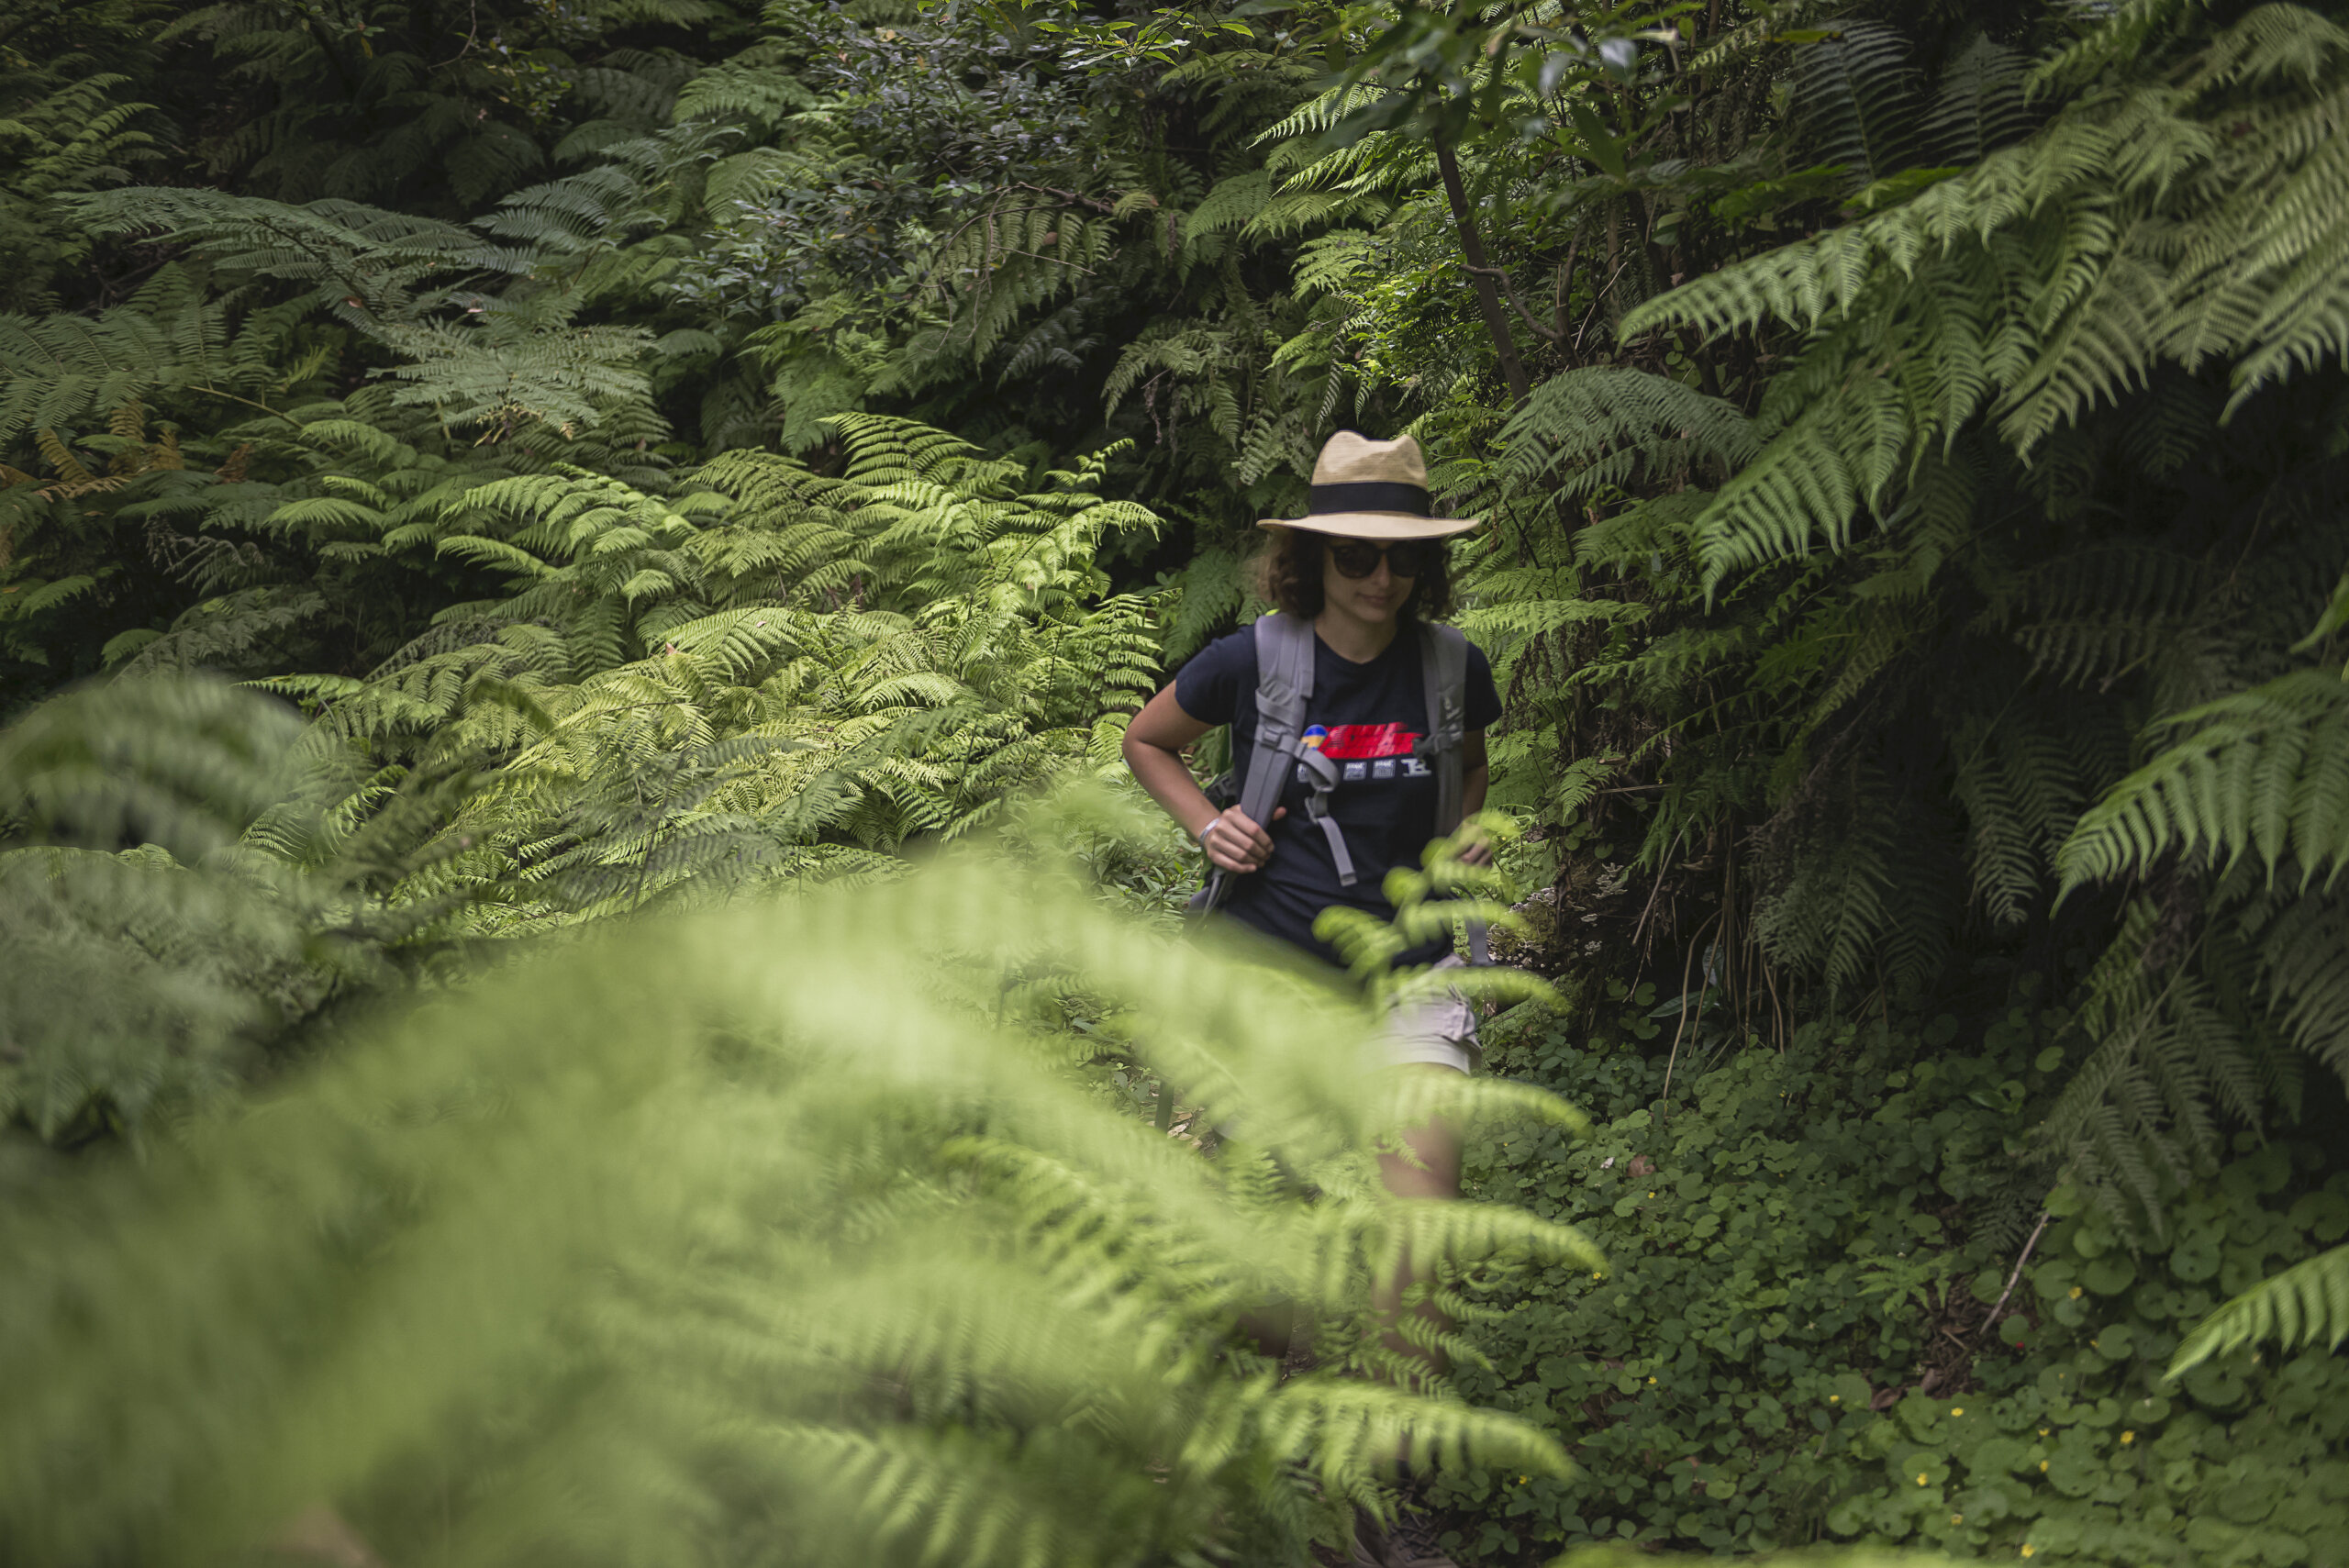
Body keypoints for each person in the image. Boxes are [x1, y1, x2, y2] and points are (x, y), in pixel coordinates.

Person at [1120, 430, 1502, 1568]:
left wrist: (1465, 844)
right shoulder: (1252, 660)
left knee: (1420, 1233)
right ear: (1312, 557)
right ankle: (1290, 1355)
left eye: (1399, 561)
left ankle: (1377, 1495)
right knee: (1214, 1258)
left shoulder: (1452, 665)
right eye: (1354, 557)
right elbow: (1149, 741)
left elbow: (1468, 769)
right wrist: (1209, 819)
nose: (1378, 580)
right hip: (1264, 977)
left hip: (1405, 977)